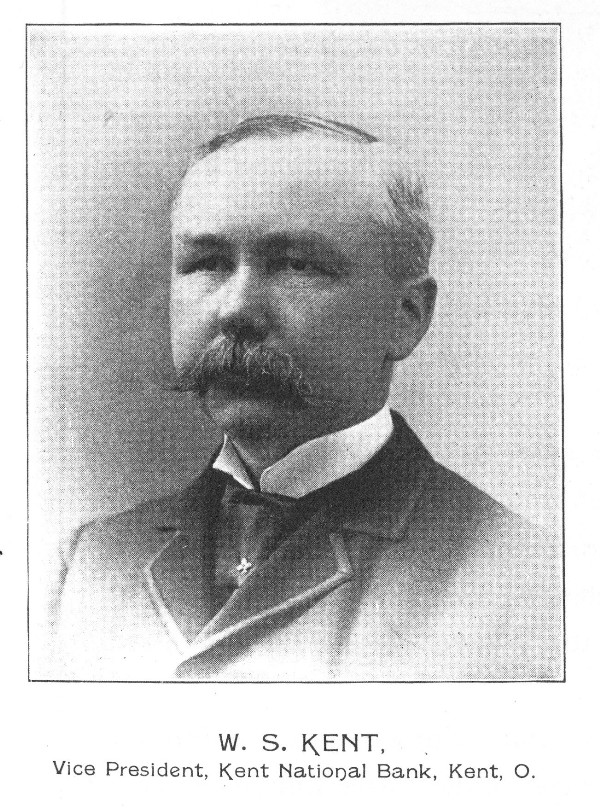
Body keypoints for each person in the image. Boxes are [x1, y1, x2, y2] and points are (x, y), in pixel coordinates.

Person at [47, 115, 562, 681]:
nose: (235, 308)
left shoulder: (521, 580)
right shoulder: (89, 564)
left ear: (406, 316)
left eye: (296, 265)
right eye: (207, 263)